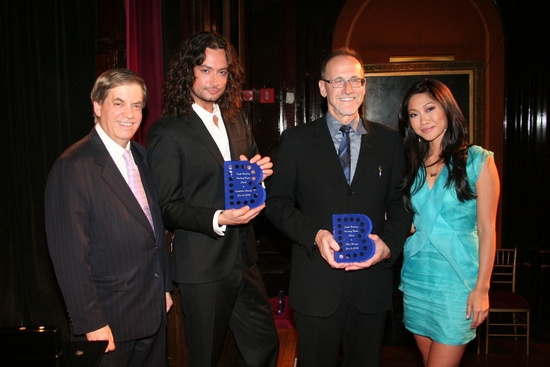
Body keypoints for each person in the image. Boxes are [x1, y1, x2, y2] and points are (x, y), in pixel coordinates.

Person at [264, 47, 412, 367]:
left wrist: (386, 246)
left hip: (371, 285)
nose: (348, 89)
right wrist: (315, 234)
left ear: (364, 86)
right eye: (338, 81)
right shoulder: (296, 141)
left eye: (355, 81)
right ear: (322, 88)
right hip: (316, 285)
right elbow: (276, 204)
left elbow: (402, 205)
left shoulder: (390, 141)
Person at [146, 31, 279, 367]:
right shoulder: (168, 130)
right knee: (205, 358)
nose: (214, 80)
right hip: (202, 267)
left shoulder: (236, 119)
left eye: (222, 72)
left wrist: (259, 169)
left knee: (265, 345)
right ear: (187, 71)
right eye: (205, 70)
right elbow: (167, 206)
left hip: (244, 257)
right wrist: (218, 218)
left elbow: (248, 166)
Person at [45, 68, 173, 367]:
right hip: (108, 324)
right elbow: (70, 258)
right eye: (119, 103)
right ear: (97, 105)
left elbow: (153, 227)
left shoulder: (141, 156)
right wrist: (91, 323)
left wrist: (164, 287)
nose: (129, 113)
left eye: (137, 105)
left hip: (152, 314)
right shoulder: (72, 167)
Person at [397, 78, 500, 366]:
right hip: (417, 279)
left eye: (429, 109)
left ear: (447, 109)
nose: (422, 120)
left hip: (457, 282)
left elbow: (487, 230)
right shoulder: (413, 165)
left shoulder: (478, 160)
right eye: (414, 114)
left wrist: (482, 288)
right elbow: (411, 218)